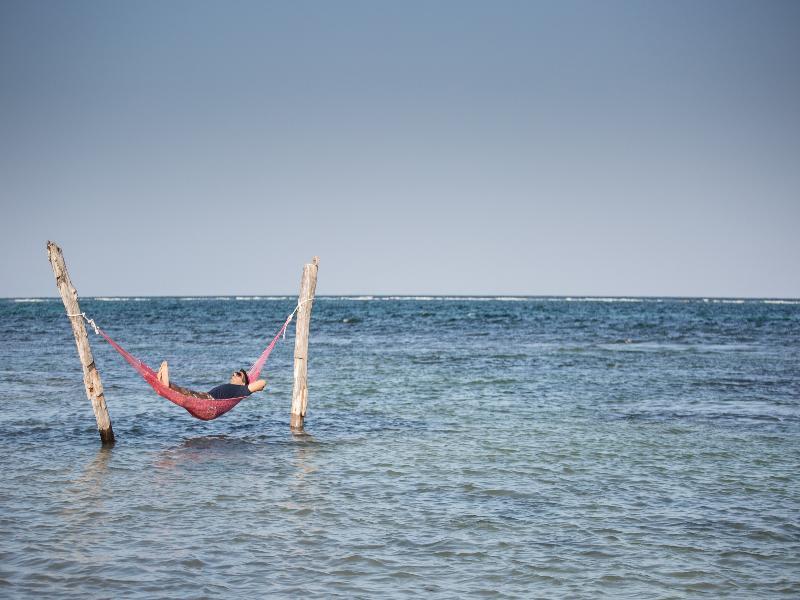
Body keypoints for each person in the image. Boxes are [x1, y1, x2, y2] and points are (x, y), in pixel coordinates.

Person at [156, 361, 266, 400]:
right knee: (182, 391)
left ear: (242, 382)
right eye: (234, 372)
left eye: (238, 374)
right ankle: (165, 383)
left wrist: (253, 388)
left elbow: (262, 382)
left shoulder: (241, 390)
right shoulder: (237, 389)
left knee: (182, 392)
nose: (233, 374)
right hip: (204, 396)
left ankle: (165, 383)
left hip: (207, 400)